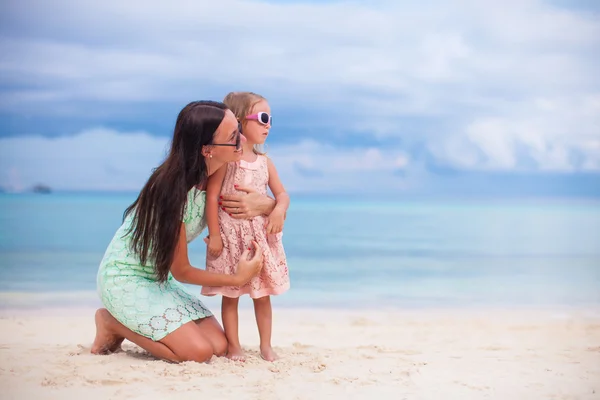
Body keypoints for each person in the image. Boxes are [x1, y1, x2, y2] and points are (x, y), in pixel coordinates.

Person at [91, 100, 279, 363]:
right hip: (126, 278)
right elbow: (181, 271)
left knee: (219, 344)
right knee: (198, 353)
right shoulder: (172, 191)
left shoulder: (218, 170)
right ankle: (112, 323)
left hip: (158, 280)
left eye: (239, 129)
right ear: (207, 149)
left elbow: (257, 201)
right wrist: (237, 279)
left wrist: (271, 205)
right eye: (233, 136)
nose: (243, 138)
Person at [202, 92, 290, 362]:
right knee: (231, 296)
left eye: (271, 120)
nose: (268, 125)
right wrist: (215, 235)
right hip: (230, 238)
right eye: (263, 118)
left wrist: (277, 210)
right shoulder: (227, 161)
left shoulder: (266, 162)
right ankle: (235, 346)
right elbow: (212, 197)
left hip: (257, 240)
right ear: (239, 122)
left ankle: (266, 346)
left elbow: (283, 195)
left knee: (262, 296)